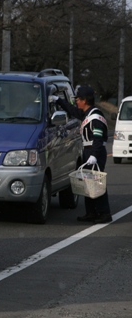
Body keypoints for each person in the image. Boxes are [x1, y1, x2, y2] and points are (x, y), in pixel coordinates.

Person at [52, 86, 111, 224]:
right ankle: (91, 212)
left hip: (94, 152)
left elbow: (98, 138)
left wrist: (94, 155)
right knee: (87, 183)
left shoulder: (95, 117)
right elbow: (72, 110)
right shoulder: (87, 113)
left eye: (78, 99)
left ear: (85, 100)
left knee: (96, 183)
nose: (76, 101)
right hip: (88, 151)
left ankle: (104, 213)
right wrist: (59, 101)